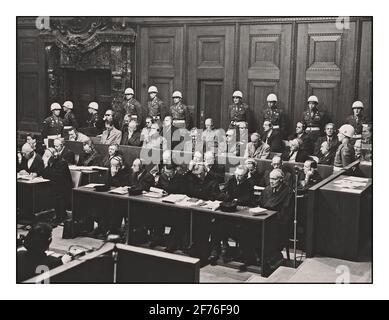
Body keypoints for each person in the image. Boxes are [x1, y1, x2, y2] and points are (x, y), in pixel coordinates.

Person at [239, 169, 294, 270]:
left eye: (274, 179)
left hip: (278, 224)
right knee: (245, 228)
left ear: (281, 179)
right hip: (262, 220)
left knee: (265, 234)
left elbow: (286, 214)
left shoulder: (288, 192)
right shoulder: (267, 189)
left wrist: (271, 219)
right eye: (270, 179)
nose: (271, 181)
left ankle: (268, 260)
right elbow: (259, 203)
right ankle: (251, 256)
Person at [208, 165, 254, 263]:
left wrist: (235, 200)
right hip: (228, 211)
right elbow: (225, 192)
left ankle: (240, 252)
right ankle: (215, 250)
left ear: (246, 176)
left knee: (232, 227)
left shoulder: (249, 184)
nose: (237, 177)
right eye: (236, 174)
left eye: (240, 175)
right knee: (215, 224)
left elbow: (247, 199)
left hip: (240, 216)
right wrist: (225, 197)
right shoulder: (232, 180)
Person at [41, 148, 73, 224]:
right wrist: (45, 165)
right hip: (56, 186)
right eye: (45, 156)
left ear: (54, 156)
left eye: (48, 156)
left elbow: (57, 177)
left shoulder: (62, 162)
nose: (46, 157)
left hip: (64, 188)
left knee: (55, 193)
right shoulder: (50, 162)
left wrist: (47, 169)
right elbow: (44, 174)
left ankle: (60, 217)